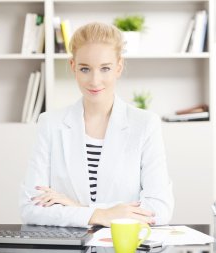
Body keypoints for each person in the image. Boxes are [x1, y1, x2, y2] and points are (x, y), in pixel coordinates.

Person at [20, 22, 174, 227]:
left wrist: (78, 209)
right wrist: (101, 215)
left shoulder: (145, 124)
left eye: (105, 68)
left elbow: (159, 209)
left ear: (118, 67)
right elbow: (30, 208)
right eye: (85, 69)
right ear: (73, 66)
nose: (94, 80)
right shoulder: (50, 124)